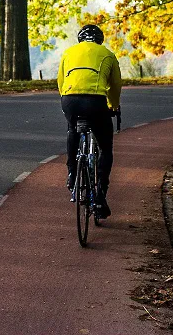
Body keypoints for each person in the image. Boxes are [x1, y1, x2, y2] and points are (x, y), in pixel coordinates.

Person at [57, 23, 122, 219]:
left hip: (70, 100)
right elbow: (115, 85)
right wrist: (113, 105)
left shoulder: (68, 52)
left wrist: (67, 101)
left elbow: (61, 81)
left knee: (72, 130)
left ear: (80, 40)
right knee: (105, 147)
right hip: (96, 101)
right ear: (100, 40)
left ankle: (71, 173)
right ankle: (100, 195)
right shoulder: (107, 54)